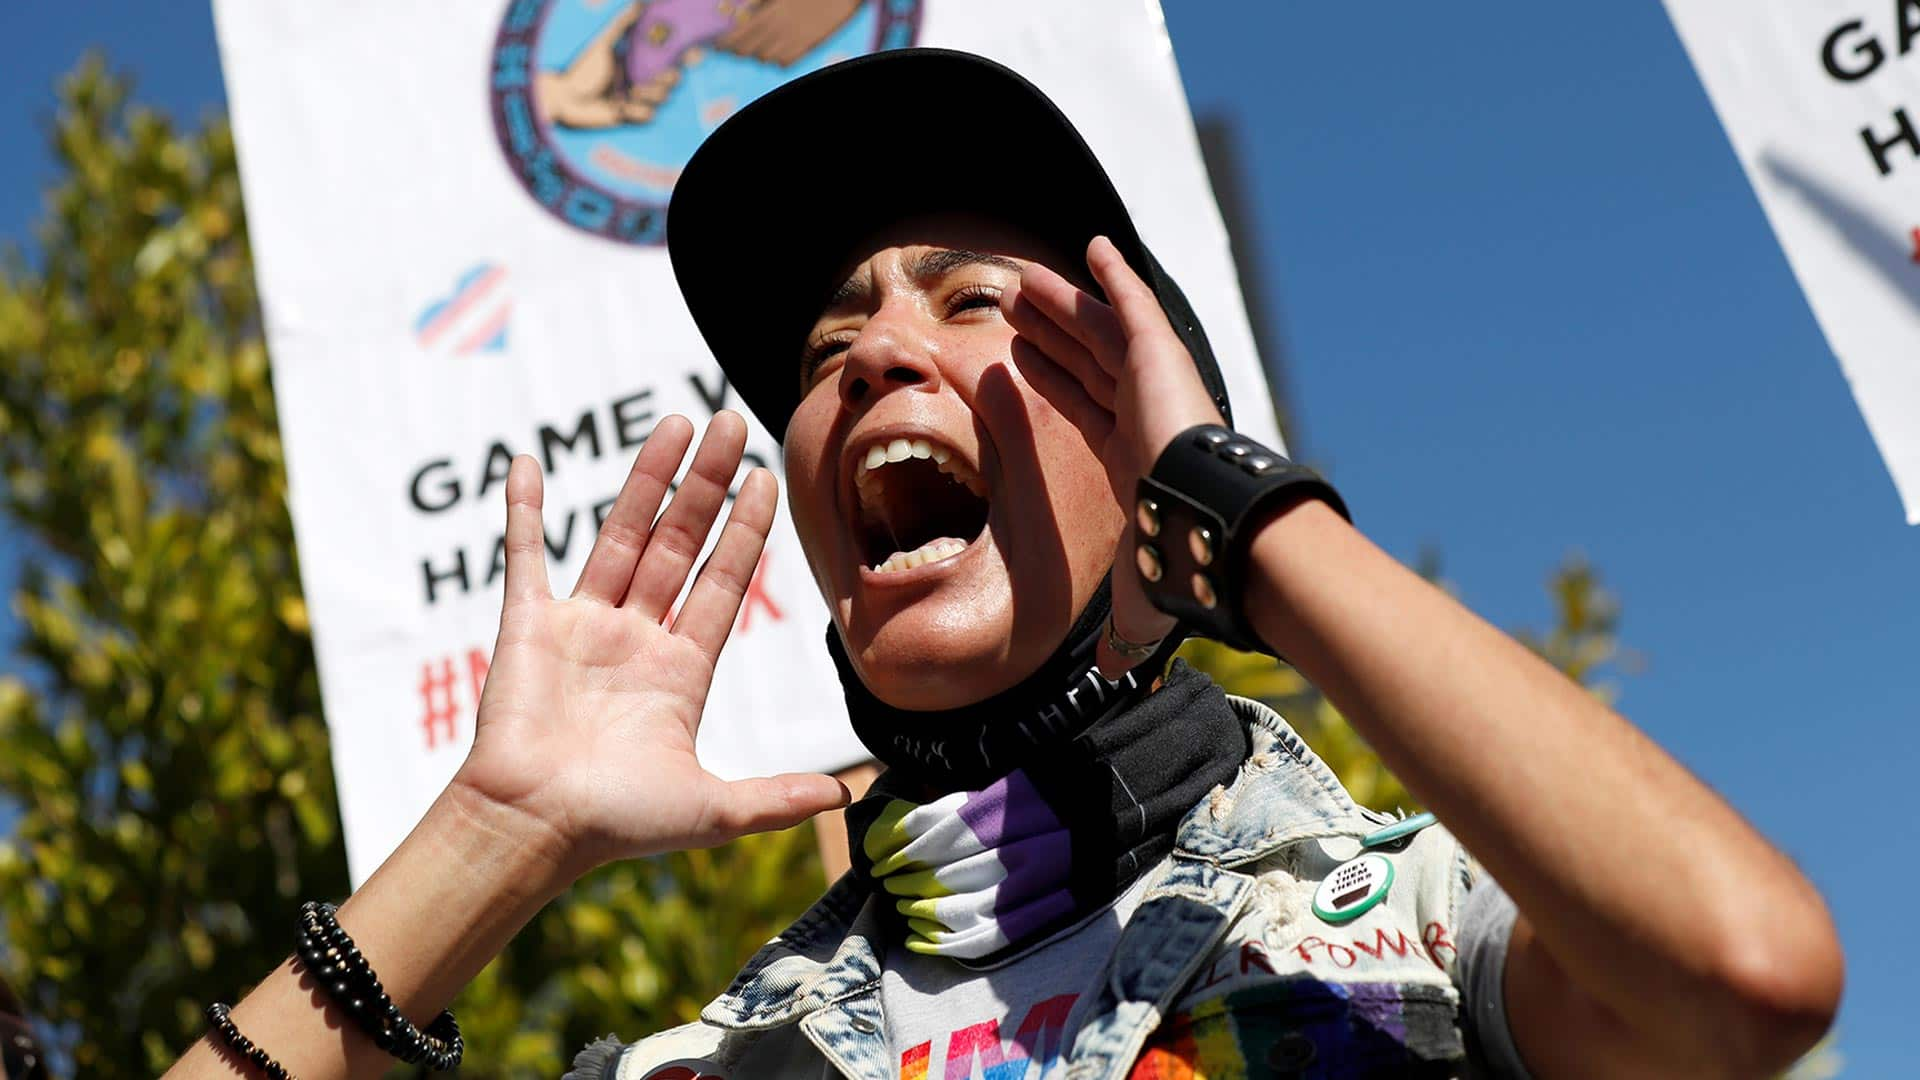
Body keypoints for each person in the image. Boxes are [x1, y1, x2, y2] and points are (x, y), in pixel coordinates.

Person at [165, 49, 1842, 1080]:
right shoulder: (710, 1065)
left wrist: (1249, 526)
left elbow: (1744, 981)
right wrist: (493, 845)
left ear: (1146, 446)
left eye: (974, 304)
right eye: (826, 346)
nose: (871, 359)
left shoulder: (1403, 927)